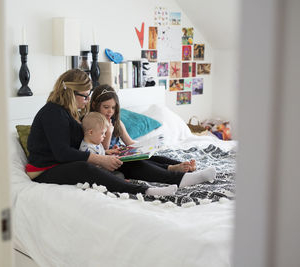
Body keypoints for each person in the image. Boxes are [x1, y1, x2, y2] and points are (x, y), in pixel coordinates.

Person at [26, 69, 215, 197]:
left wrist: (105, 153)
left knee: (122, 160)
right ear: (70, 93)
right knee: (87, 168)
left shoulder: (69, 112)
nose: (87, 100)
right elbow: (62, 153)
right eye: (84, 96)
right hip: (44, 171)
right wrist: (99, 159)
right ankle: (143, 191)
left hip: (63, 162)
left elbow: (78, 145)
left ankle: (180, 178)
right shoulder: (52, 113)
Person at [89, 84, 196, 173]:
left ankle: (181, 164)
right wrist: (108, 132)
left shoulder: (117, 122)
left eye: (113, 108)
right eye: (106, 107)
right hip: (110, 161)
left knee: (151, 157)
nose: (110, 112)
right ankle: (171, 169)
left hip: (121, 154)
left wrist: (146, 147)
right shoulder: (91, 123)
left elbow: (130, 142)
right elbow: (102, 152)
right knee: (141, 163)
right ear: (95, 105)